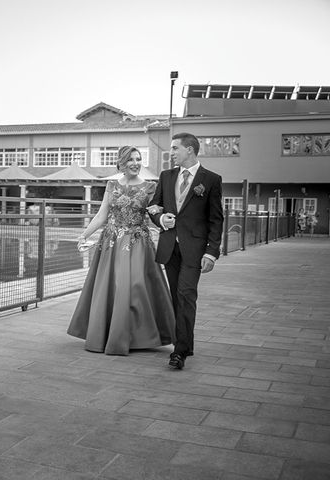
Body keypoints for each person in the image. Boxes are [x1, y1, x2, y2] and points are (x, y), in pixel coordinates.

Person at [67, 146, 175, 355]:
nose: (135, 163)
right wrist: (84, 235)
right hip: (111, 243)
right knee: (112, 287)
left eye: (138, 159)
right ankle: (109, 335)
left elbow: (156, 215)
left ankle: (136, 336)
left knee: (134, 286)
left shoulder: (150, 187)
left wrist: (165, 222)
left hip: (138, 243)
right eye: (130, 160)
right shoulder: (112, 185)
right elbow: (101, 216)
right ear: (121, 163)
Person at [149, 132, 223, 370]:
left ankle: (179, 352)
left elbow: (216, 219)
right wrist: (161, 219)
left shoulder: (211, 179)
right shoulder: (166, 176)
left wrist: (211, 252)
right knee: (175, 298)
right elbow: (153, 207)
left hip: (195, 251)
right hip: (170, 248)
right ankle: (186, 343)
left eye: (174, 148)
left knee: (186, 295)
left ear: (189, 149)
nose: (171, 153)